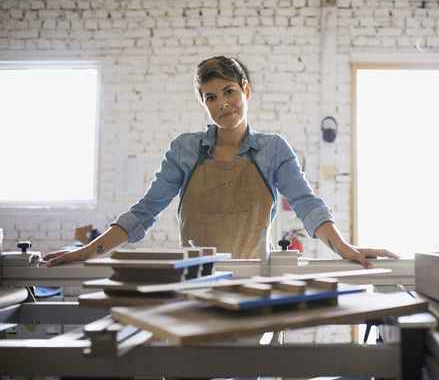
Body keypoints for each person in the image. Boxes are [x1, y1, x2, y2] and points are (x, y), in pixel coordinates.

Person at [43, 56, 398, 267]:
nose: (222, 103)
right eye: (210, 97)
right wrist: (86, 252)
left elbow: (308, 207)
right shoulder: (185, 149)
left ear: (246, 90)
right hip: (196, 282)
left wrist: (345, 249)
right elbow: (143, 212)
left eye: (229, 91)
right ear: (203, 103)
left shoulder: (273, 150)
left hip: (254, 284)